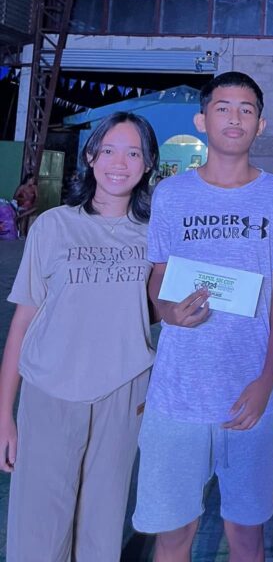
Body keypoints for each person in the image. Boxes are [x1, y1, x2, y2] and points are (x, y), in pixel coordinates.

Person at [132, 71, 273, 562]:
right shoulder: (171, 195)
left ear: (261, 124)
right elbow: (157, 276)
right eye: (223, 107)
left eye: (246, 110)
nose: (235, 118)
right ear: (202, 120)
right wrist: (166, 310)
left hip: (248, 395)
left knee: (246, 535)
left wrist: (266, 380)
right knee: (173, 536)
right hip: (177, 396)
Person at [0, 112, 159, 562]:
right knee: (38, 532)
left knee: (101, 530)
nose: (119, 163)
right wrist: (3, 415)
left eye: (133, 153)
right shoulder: (53, 226)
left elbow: (162, 306)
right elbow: (23, 321)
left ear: (148, 163)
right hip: (50, 391)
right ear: (90, 157)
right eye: (108, 150)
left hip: (122, 392)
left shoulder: (155, 234)